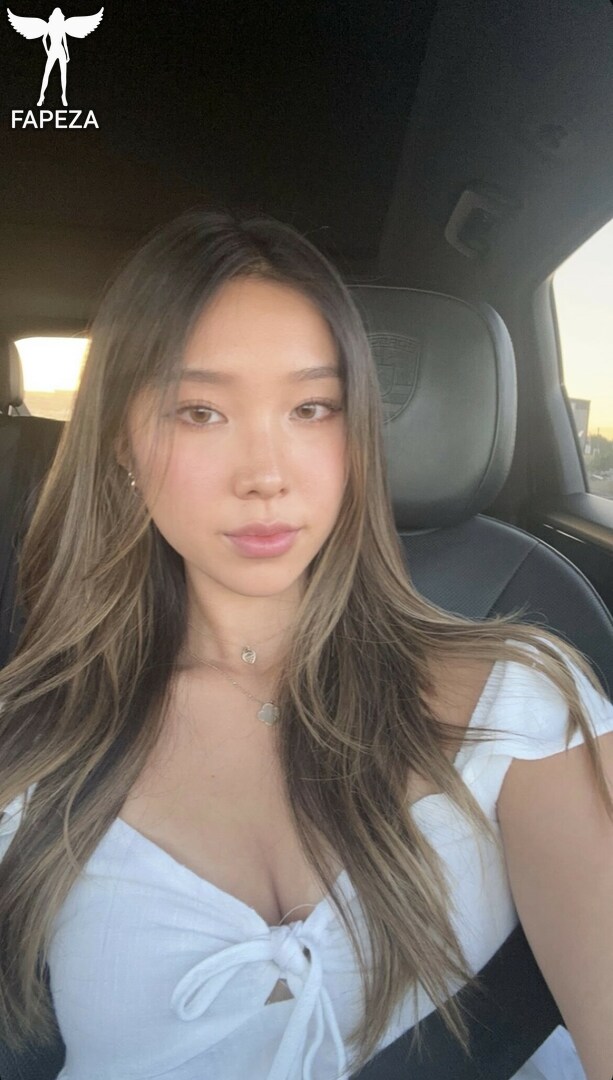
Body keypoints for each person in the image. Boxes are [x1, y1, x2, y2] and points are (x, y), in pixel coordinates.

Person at [0, 207, 612, 1080]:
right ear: (121, 446)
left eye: (311, 408)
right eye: (200, 411)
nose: (265, 474)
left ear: (355, 436)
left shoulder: (520, 702)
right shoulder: (29, 740)